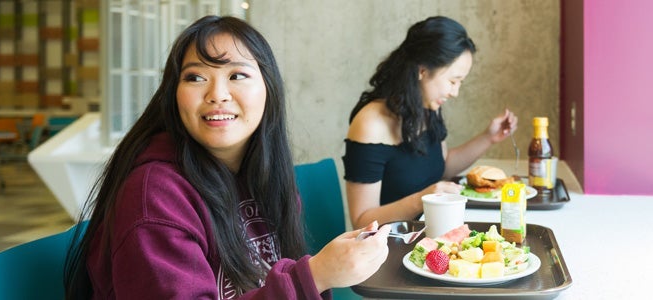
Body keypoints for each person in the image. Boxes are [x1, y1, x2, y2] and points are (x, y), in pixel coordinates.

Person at [64, 15, 390, 299]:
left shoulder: (264, 173)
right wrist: (315, 275)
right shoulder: (153, 196)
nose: (217, 94)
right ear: (173, 95)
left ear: (268, 87)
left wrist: (328, 270)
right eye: (195, 77)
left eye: (237, 75)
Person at [343, 16, 518, 229]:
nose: (455, 92)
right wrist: (421, 199)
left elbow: (441, 167)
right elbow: (361, 221)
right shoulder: (370, 124)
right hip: (388, 246)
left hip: (428, 234)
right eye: (453, 81)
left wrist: (489, 137)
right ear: (422, 70)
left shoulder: (426, 107)